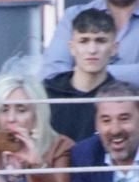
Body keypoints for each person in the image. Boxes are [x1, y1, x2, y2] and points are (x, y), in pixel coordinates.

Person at [45, 8, 120, 144]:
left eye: (101, 41)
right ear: (72, 47)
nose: (92, 50)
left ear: (114, 48)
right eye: (84, 41)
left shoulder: (123, 99)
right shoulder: (47, 93)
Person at [68, 84, 139, 182]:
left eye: (124, 119)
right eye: (106, 120)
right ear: (96, 125)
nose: (115, 130)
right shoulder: (84, 155)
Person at [41, 0, 139, 87]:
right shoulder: (74, 15)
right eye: (84, 41)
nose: (92, 50)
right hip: (77, 97)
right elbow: (52, 74)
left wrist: (85, 73)